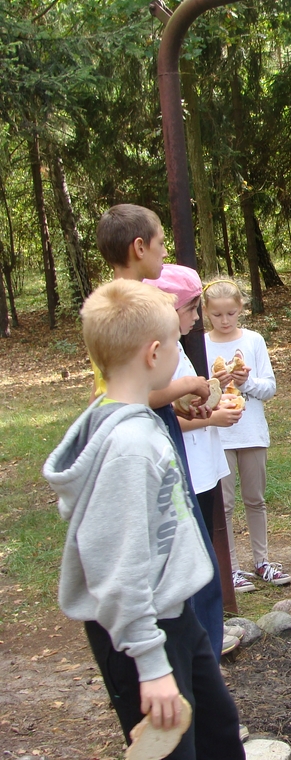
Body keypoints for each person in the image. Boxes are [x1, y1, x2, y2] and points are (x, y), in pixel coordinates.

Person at [43, 280, 245, 759]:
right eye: (177, 343)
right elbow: (118, 564)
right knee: (174, 750)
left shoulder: (126, 417)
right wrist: (152, 666)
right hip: (141, 633)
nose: (182, 350)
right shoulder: (129, 448)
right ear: (154, 353)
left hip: (175, 616)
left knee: (218, 731)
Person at [93, 204, 224, 659]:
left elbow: (148, 385)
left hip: (159, 422)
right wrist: (186, 385)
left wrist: (178, 394)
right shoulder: (128, 309)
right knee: (184, 545)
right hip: (148, 434)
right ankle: (197, 651)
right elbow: (128, 393)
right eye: (162, 244)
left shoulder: (116, 301)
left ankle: (199, 647)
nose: (165, 255)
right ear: (139, 247)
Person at [203, 277, 290, 592]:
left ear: (241, 309)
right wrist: (214, 382)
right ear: (206, 313)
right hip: (218, 434)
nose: (224, 321)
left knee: (255, 499)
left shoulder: (253, 341)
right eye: (217, 315)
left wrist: (245, 382)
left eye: (230, 313)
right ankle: (230, 568)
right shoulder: (201, 345)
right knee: (223, 504)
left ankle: (262, 561)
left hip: (251, 433)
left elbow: (269, 388)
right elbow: (196, 396)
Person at [144, 266, 240, 540]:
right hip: (187, 469)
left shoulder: (176, 345)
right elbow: (159, 412)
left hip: (201, 464)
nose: (197, 317)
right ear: (169, 310)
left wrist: (212, 402)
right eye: (192, 309)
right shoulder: (161, 353)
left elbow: (180, 405)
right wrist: (212, 418)